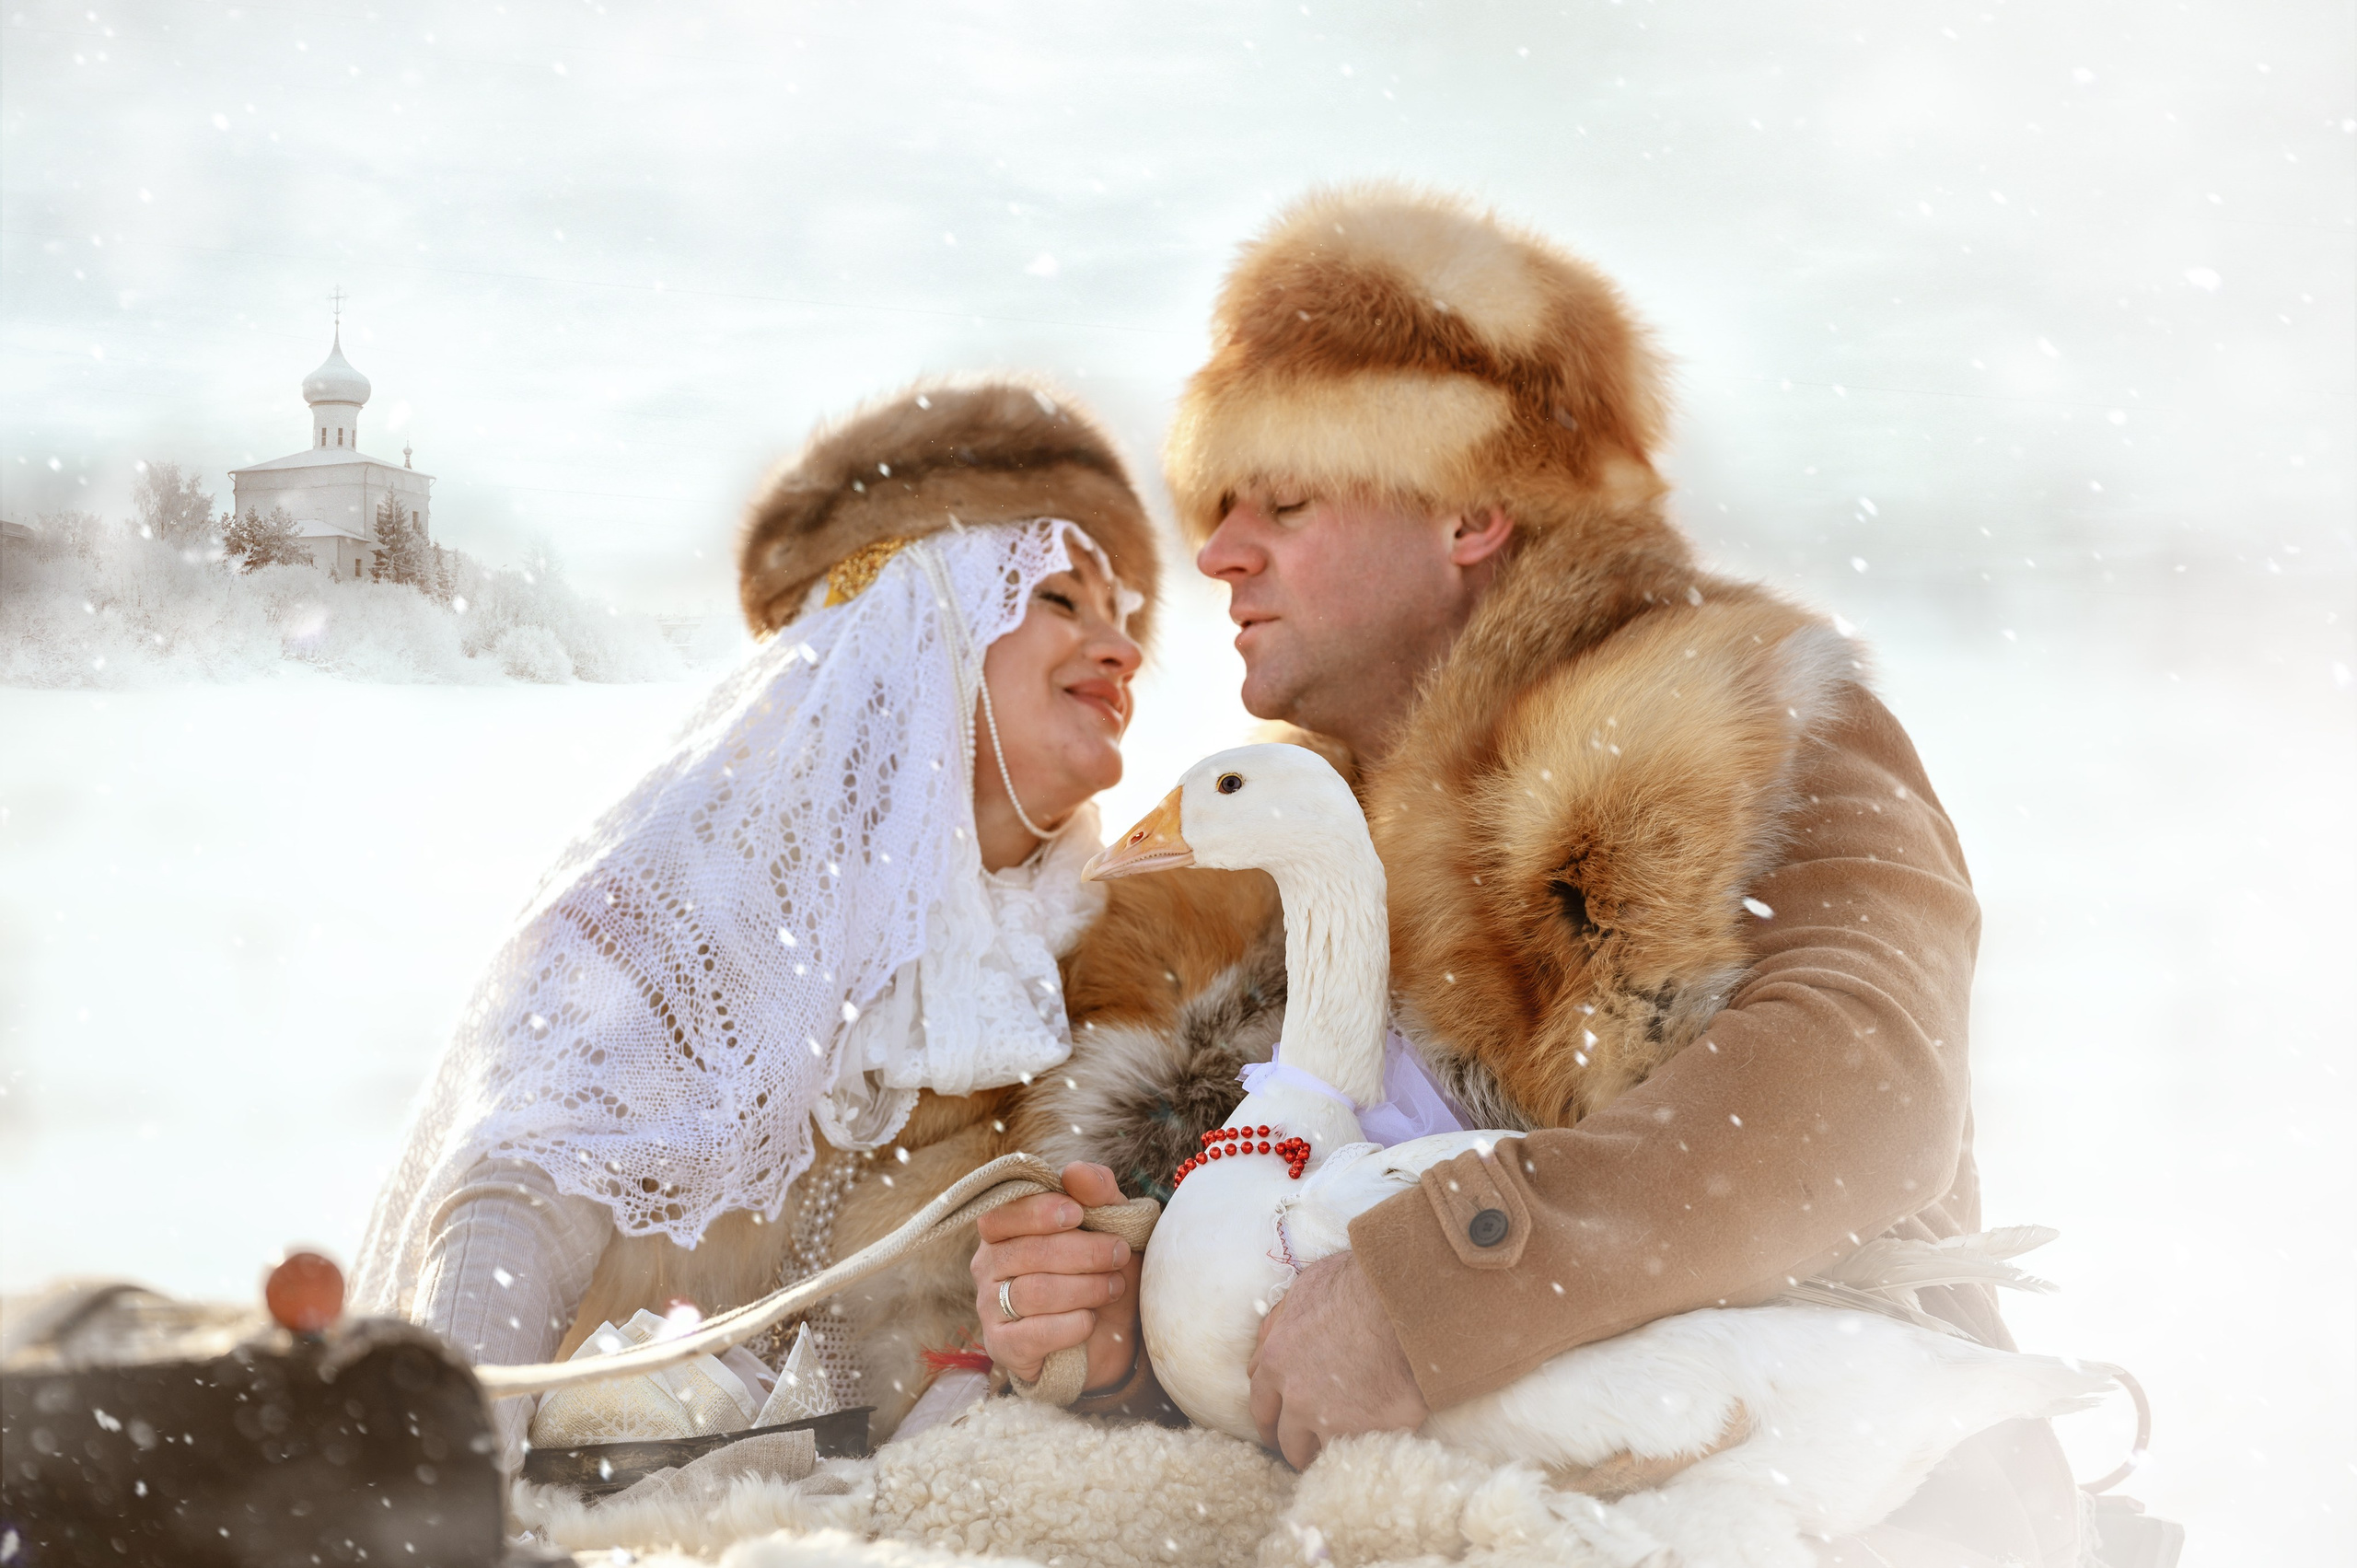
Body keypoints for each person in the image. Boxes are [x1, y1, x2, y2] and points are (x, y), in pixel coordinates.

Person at [970, 188, 2083, 1565]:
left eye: (1289, 499)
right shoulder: (1240, 878)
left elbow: (1863, 1073)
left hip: (1834, 1504)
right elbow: (1278, 1314)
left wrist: (1449, 1278)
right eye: (1218, 504)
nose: (1218, 554)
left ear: (1472, 512)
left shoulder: (1725, 715)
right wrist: (1113, 1319)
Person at [351, 379, 1159, 1464]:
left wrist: (1095, 1355)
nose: (1123, 650)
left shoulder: (1141, 967)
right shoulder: (671, 925)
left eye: (1124, 618)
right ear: (915, 628)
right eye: (1060, 598)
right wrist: (443, 1497)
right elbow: (510, 1211)